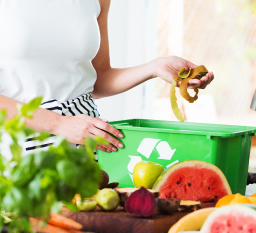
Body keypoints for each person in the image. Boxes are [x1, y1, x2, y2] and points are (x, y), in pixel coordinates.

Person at [0, 0, 214, 153]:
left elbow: (99, 79)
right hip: (17, 150)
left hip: (87, 144)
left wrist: (155, 67)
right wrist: (59, 124)